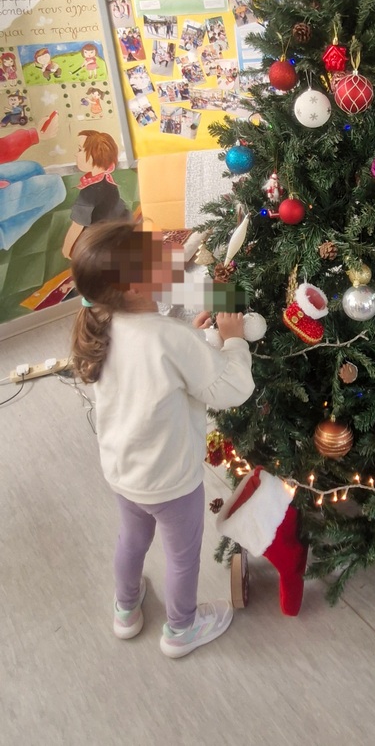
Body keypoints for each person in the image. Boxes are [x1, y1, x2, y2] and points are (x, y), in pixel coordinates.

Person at [69, 221, 255, 657]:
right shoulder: (172, 339)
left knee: (131, 539)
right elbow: (233, 389)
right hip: (172, 482)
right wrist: (232, 342)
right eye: (158, 256)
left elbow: (155, 369)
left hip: (124, 473)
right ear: (135, 285)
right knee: (182, 555)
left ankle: (125, 609)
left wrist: (199, 339)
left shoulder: (102, 322)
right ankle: (181, 630)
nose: (172, 257)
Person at [62, 130, 128, 258]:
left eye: (80, 150)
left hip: (100, 236)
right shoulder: (107, 179)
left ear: (95, 156)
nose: (76, 154)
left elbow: (77, 225)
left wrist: (66, 250)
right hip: (115, 225)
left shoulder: (88, 193)